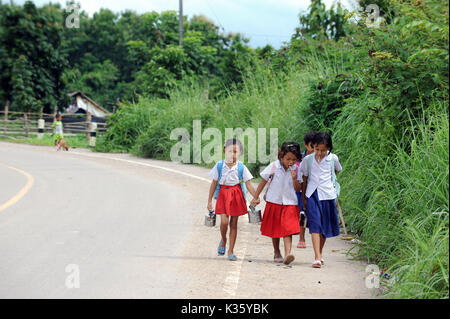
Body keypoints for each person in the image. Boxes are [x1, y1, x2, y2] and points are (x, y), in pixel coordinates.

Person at [251, 142, 302, 265]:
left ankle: (288, 253)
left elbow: (298, 189)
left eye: (294, 159)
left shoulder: (297, 169)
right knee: (275, 229)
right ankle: (276, 251)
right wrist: (255, 196)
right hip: (274, 201)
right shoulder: (274, 166)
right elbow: (263, 181)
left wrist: (295, 178)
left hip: (290, 202)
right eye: (288, 159)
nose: (290, 162)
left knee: (288, 228)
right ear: (281, 156)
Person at [207, 138, 258, 261]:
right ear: (225, 151)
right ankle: (223, 240)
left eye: (235, 151)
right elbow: (214, 183)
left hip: (236, 196)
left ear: (240, 153)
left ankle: (231, 250)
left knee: (234, 224)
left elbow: (248, 184)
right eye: (230, 151)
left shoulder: (241, 167)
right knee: (224, 222)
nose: (232, 154)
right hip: (223, 195)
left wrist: (256, 197)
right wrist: (209, 201)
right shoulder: (219, 166)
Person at [300, 132, 342, 268]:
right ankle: (317, 256)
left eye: (323, 150)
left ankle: (319, 254)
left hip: (328, 195)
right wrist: (304, 199)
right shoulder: (308, 160)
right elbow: (304, 178)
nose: (320, 153)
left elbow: (336, 171)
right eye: (317, 149)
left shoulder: (333, 159)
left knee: (324, 227)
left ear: (329, 148)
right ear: (313, 147)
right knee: (315, 224)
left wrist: (330, 183)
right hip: (312, 194)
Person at [296, 131, 316, 249]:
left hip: (314, 190)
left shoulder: (320, 157)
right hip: (301, 190)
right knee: (302, 213)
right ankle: (301, 238)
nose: (314, 149)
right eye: (312, 146)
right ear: (306, 145)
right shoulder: (300, 158)